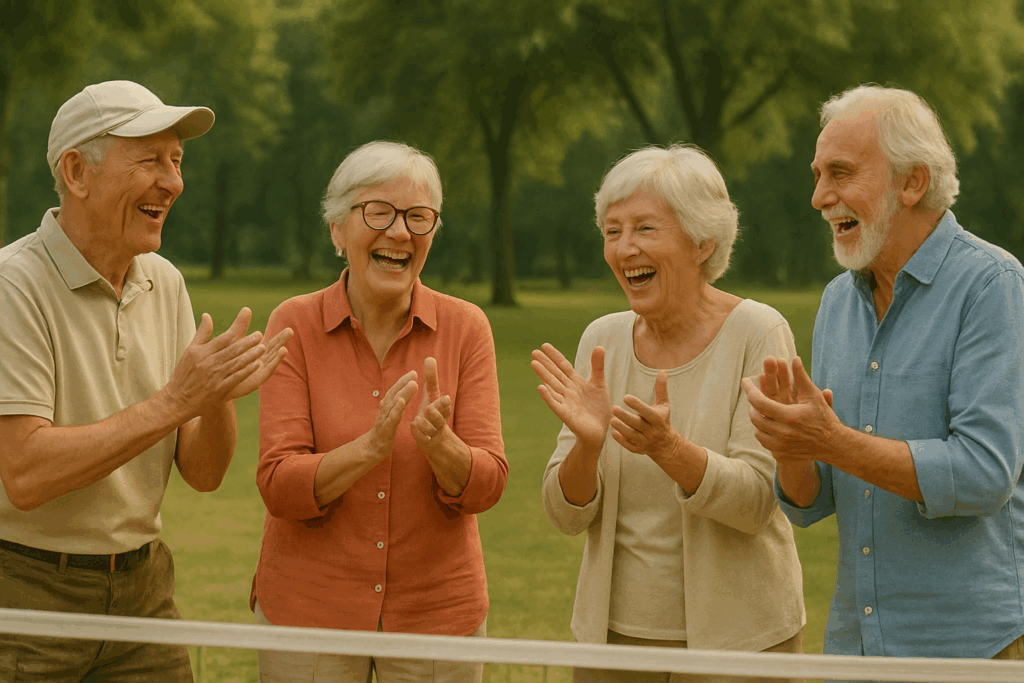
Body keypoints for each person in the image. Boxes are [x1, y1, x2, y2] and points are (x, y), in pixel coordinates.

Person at [0, 80, 291, 682]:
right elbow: (25, 473)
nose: (173, 182)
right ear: (77, 172)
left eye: (177, 161)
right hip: (24, 596)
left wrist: (212, 400)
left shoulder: (166, 281)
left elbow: (204, 473)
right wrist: (176, 400)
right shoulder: (12, 286)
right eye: (150, 160)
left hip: (143, 589)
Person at [743, 84, 1024, 663]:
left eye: (840, 173)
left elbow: (983, 473)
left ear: (912, 182)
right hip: (856, 649)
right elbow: (812, 502)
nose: (820, 197)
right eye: (818, 174)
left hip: (973, 650)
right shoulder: (836, 302)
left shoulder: (993, 286)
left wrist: (833, 441)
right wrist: (792, 446)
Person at [535, 145, 805, 683]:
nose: (624, 248)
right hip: (614, 646)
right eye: (612, 231)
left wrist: (668, 449)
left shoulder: (759, 332)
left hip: (738, 646)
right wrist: (588, 446)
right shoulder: (602, 339)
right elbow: (565, 515)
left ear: (704, 241)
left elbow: (757, 501)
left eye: (645, 229)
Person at [252, 140, 507, 683]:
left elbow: (488, 485)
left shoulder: (467, 328)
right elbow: (279, 484)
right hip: (309, 616)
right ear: (337, 231)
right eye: (378, 212)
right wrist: (366, 450)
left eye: (418, 218)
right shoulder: (292, 324)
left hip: (438, 619)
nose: (400, 233)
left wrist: (447, 452)